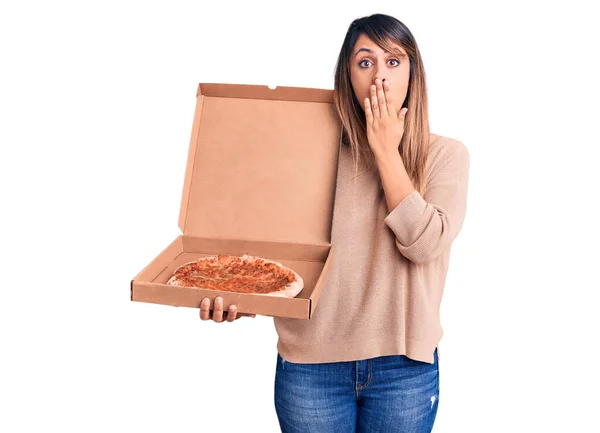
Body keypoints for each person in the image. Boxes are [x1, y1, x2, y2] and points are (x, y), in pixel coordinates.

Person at [198, 13, 470, 433]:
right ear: (346, 76)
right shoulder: (308, 153)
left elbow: (424, 244)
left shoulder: (445, 156)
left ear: (414, 75)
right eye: (365, 62)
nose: (379, 76)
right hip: (310, 368)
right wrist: (241, 297)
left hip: (404, 370)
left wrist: (385, 151)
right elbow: (278, 251)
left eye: (394, 61)